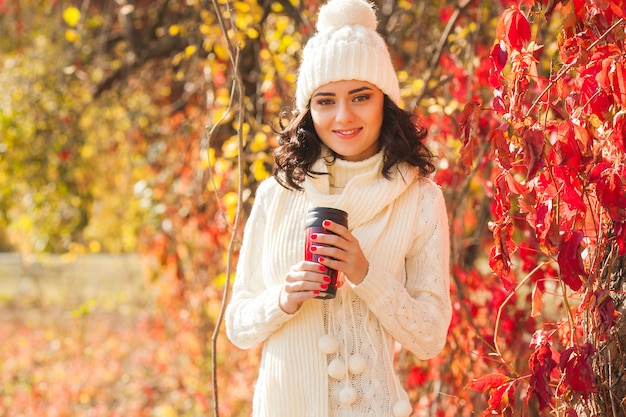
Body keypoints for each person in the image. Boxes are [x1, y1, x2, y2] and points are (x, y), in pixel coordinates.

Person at [225, 0, 452, 416]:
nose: (343, 116)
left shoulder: (419, 198)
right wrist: (283, 298)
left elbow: (430, 337)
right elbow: (238, 326)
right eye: (325, 101)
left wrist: (366, 275)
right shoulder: (277, 195)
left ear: (385, 100)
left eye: (360, 96)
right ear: (308, 111)